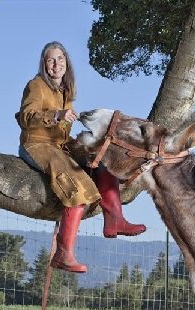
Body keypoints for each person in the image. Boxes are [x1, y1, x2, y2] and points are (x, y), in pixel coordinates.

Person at [16, 41, 146, 273]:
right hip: (37, 145)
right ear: (44, 64)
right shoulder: (36, 85)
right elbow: (26, 117)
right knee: (77, 185)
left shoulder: (66, 90)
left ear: (67, 63)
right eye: (51, 60)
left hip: (61, 144)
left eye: (60, 59)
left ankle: (114, 220)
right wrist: (57, 115)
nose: (56, 64)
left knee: (101, 160)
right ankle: (63, 254)